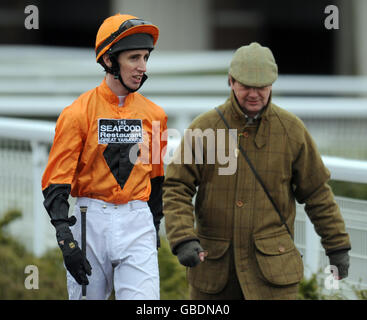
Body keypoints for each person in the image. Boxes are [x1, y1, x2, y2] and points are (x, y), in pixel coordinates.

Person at [163, 42, 351, 300]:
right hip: (215, 274)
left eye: (261, 86)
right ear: (231, 82)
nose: (254, 94)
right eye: (246, 86)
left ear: (272, 84)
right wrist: (184, 238)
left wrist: (337, 246)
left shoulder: (291, 130)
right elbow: (176, 187)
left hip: (274, 276)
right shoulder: (203, 128)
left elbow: (317, 193)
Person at [42, 13, 167, 300]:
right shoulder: (76, 114)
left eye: (146, 57)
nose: (142, 67)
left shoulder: (155, 115)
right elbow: (56, 180)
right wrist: (64, 236)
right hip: (90, 220)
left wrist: (154, 223)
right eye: (134, 58)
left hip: (138, 220)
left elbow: (157, 177)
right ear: (110, 60)